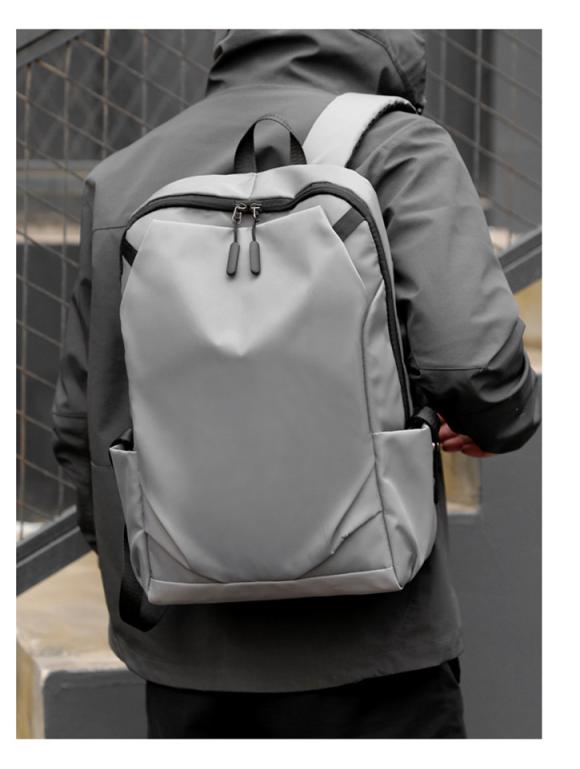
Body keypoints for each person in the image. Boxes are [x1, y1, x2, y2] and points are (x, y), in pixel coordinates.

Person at [52, 29, 541, 739]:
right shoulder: (398, 148)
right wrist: (499, 417)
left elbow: (80, 424)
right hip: (373, 647)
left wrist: (148, 554)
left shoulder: (124, 175)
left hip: (189, 651)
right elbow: (477, 366)